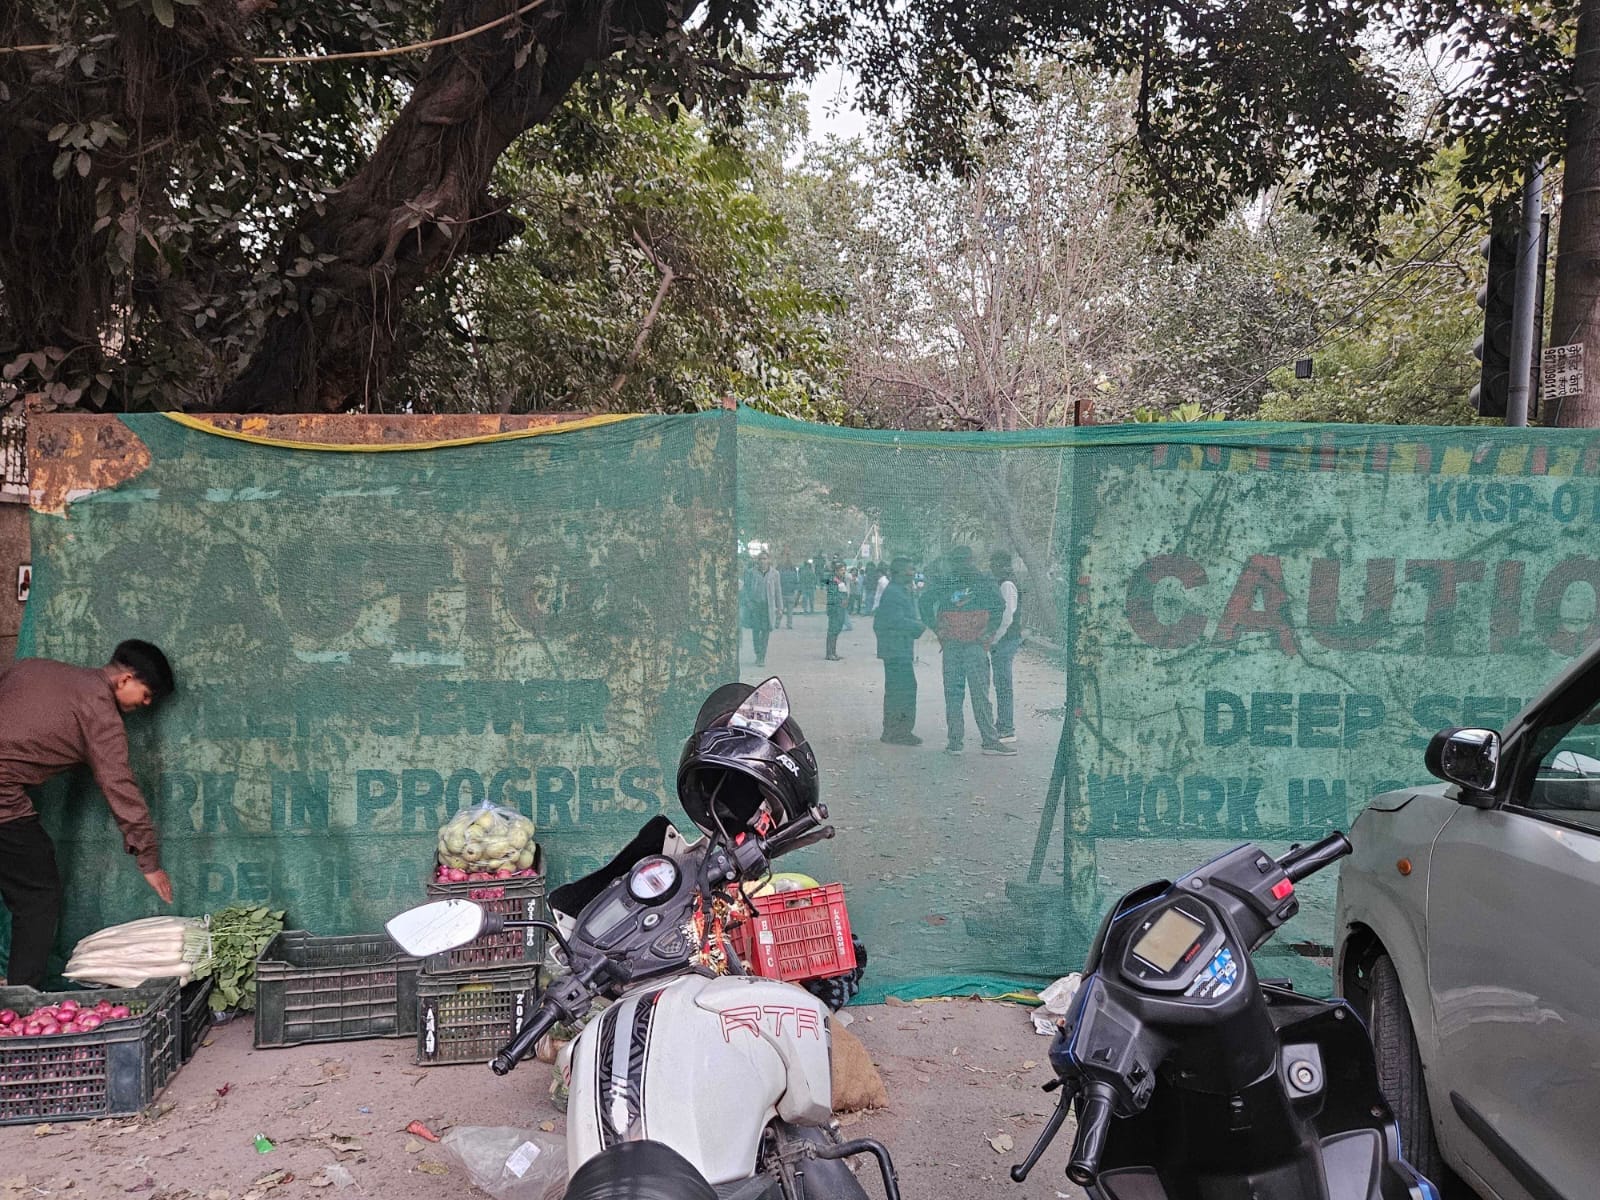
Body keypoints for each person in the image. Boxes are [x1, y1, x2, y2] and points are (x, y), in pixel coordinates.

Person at [0, 641, 177, 987]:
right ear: (125, 679)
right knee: (37, 896)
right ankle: (18, 1001)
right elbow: (120, 787)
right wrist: (149, 860)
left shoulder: (33, 667)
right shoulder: (101, 715)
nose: (146, 703)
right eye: (147, 693)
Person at [930, 546, 1014, 756]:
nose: (961, 565)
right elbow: (999, 606)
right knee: (978, 694)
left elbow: (925, 602)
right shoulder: (982, 581)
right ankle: (987, 741)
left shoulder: (947, 581)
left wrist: (938, 627)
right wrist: (988, 632)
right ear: (972, 560)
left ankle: (956, 742)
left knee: (955, 694)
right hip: (972, 646)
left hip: (955, 646)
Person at [874, 557, 925, 745]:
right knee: (903, 690)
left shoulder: (900, 591)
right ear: (900, 572)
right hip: (896, 650)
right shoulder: (894, 594)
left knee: (898, 690)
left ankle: (894, 730)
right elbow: (895, 621)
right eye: (910, 569)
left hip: (898, 649)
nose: (913, 573)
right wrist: (917, 626)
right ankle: (899, 731)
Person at [989, 550, 1023, 744]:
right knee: (1001, 684)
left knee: (1003, 685)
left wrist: (994, 639)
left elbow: (1007, 617)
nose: (992, 568)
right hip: (1005, 639)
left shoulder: (1007, 584)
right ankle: (1002, 724)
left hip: (1006, 639)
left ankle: (1007, 728)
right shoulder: (1005, 581)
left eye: (994, 564)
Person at [741, 551, 783, 668]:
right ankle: (757, 652)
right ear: (757, 561)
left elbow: (778, 591)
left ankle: (761, 657)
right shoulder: (751, 573)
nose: (762, 561)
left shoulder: (775, 573)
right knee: (756, 631)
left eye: (764, 559)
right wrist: (748, 603)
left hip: (767, 607)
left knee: (765, 632)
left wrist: (780, 607)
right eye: (760, 559)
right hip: (755, 607)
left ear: (769, 560)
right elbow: (745, 590)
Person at [824, 560, 848, 660]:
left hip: (841, 609)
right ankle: (829, 653)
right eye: (841, 570)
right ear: (836, 571)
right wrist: (840, 600)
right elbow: (832, 596)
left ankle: (833, 652)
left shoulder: (842, 580)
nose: (843, 572)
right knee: (832, 631)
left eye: (844, 570)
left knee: (837, 630)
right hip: (834, 609)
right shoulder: (833, 581)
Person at [779, 556, 801, 630]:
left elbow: (779, 584)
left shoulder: (781, 573)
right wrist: (796, 595)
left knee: (780, 610)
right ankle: (789, 624)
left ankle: (777, 623)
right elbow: (797, 584)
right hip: (791, 594)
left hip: (783, 594)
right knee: (790, 612)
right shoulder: (794, 574)